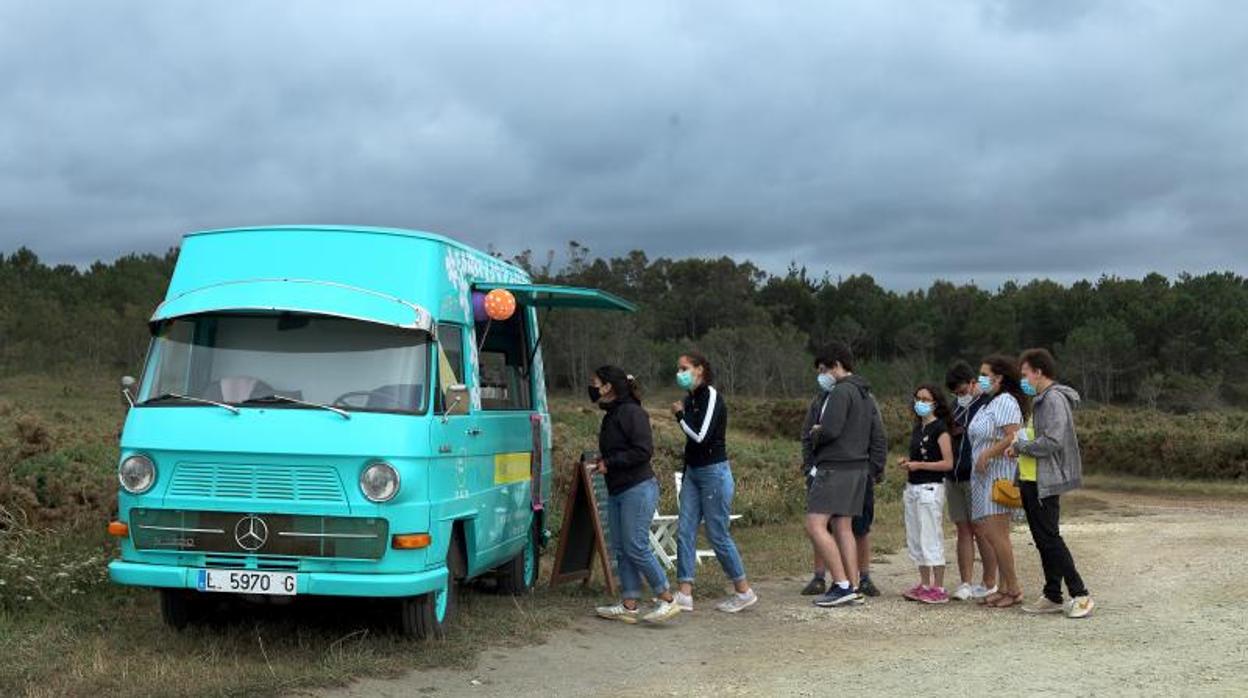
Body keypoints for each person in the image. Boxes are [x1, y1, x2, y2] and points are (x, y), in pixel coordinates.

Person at [589, 366, 681, 624]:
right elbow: (620, 449)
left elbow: (643, 451)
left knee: (635, 544)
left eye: (595, 382)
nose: (592, 387)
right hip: (617, 488)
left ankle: (667, 599)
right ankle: (629, 604)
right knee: (620, 547)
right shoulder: (612, 413)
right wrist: (604, 461)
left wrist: (612, 462)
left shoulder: (632, 412)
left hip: (637, 488)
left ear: (608, 387)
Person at [669, 352, 757, 613]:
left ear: (699, 370)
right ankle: (684, 592)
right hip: (693, 473)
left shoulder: (711, 397)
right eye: (678, 368)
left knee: (717, 533)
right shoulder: (691, 399)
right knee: (685, 530)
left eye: (684, 368)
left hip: (714, 472)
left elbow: (701, 436)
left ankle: (744, 591)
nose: (679, 373)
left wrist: (679, 417)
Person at [1011, 348, 1095, 619]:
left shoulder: (1053, 400)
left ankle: (1080, 593)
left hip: (1043, 482)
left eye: (1025, 374)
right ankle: (1052, 594)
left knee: (1050, 538)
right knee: (1042, 540)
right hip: (1030, 479)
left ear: (1038, 372)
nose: (1023, 379)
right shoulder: (1039, 401)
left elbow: (1053, 440)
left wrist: (1022, 446)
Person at [803, 342, 887, 608]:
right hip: (857, 469)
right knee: (843, 526)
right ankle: (852, 585)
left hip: (835, 467)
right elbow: (875, 433)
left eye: (824, 369)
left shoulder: (841, 392)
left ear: (837, 365)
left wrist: (816, 431)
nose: (822, 376)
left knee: (815, 524)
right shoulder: (864, 393)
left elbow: (830, 430)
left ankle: (840, 584)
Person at [967, 355, 1028, 608]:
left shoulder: (1005, 401)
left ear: (999, 377)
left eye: (984, 374)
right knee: (992, 534)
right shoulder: (987, 403)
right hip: (982, 476)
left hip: (998, 474)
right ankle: (1003, 587)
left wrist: (988, 453)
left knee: (996, 533)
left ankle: (1013, 587)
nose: (980, 378)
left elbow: (1014, 435)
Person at [944, 362, 999, 601]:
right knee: (962, 529)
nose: (960, 396)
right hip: (953, 476)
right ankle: (965, 582)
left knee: (981, 529)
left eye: (963, 391)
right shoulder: (954, 407)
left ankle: (989, 581)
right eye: (956, 393)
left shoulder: (987, 405)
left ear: (973, 383)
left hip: (976, 475)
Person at [897, 384, 954, 604]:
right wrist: (908, 463)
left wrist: (920, 465)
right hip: (913, 487)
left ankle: (938, 587)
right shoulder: (918, 427)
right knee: (916, 537)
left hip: (931, 488)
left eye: (925, 399)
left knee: (931, 536)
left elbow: (947, 463)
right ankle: (924, 583)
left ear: (935, 403)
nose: (920, 402)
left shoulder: (940, 429)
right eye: (917, 398)